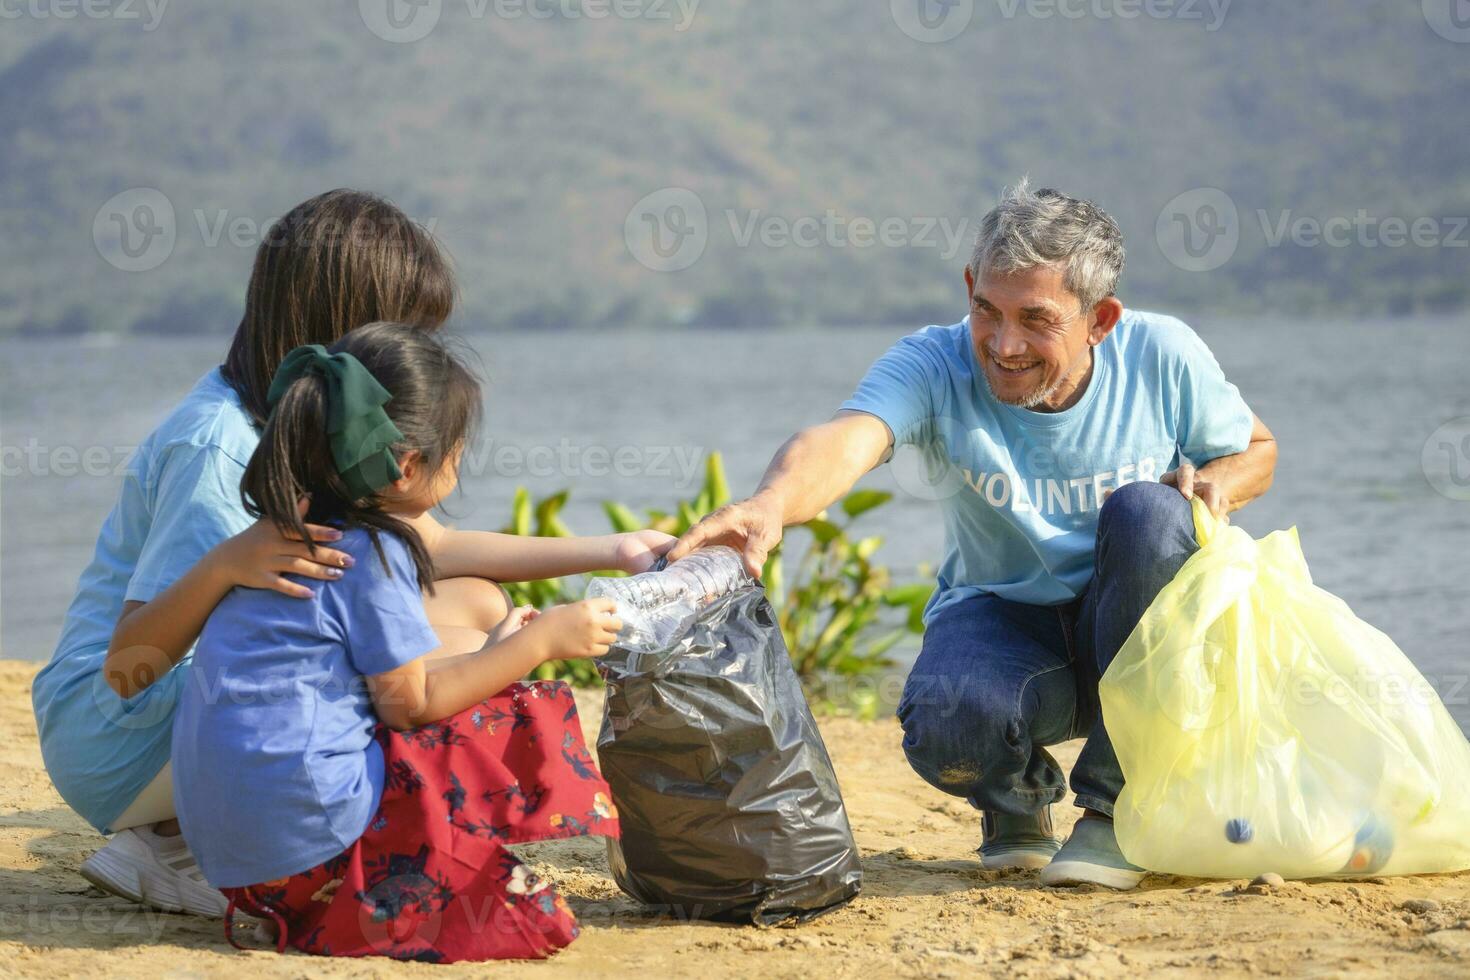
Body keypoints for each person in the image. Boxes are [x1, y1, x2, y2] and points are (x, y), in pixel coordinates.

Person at [31, 188, 669, 916]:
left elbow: (436, 546)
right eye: (404, 330)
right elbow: (130, 664)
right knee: (434, 656)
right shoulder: (219, 448)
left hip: (192, 707)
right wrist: (223, 566)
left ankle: (185, 829)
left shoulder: (302, 430)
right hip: (117, 741)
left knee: (479, 606)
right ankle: (180, 840)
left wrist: (614, 550)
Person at [669, 180, 1278, 891]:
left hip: (1141, 631)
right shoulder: (933, 362)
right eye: (986, 310)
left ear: (1101, 320)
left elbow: (1255, 449)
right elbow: (847, 439)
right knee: (947, 724)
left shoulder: (1163, 354)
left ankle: (1114, 812)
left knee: (1151, 514)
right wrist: (771, 502)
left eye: (1036, 319)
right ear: (968, 287)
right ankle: (1016, 800)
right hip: (1008, 623)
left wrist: (1219, 484)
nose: (1004, 343)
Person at [174, 323, 625, 962]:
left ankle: (315, 898)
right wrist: (543, 639)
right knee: (506, 706)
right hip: (307, 851)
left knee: (473, 673)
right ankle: (381, 887)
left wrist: (492, 647)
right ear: (408, 466)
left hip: (237, 864)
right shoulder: (375, 553)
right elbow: (409, 707)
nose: (462, 462)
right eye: (458, 451)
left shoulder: (285, 537)